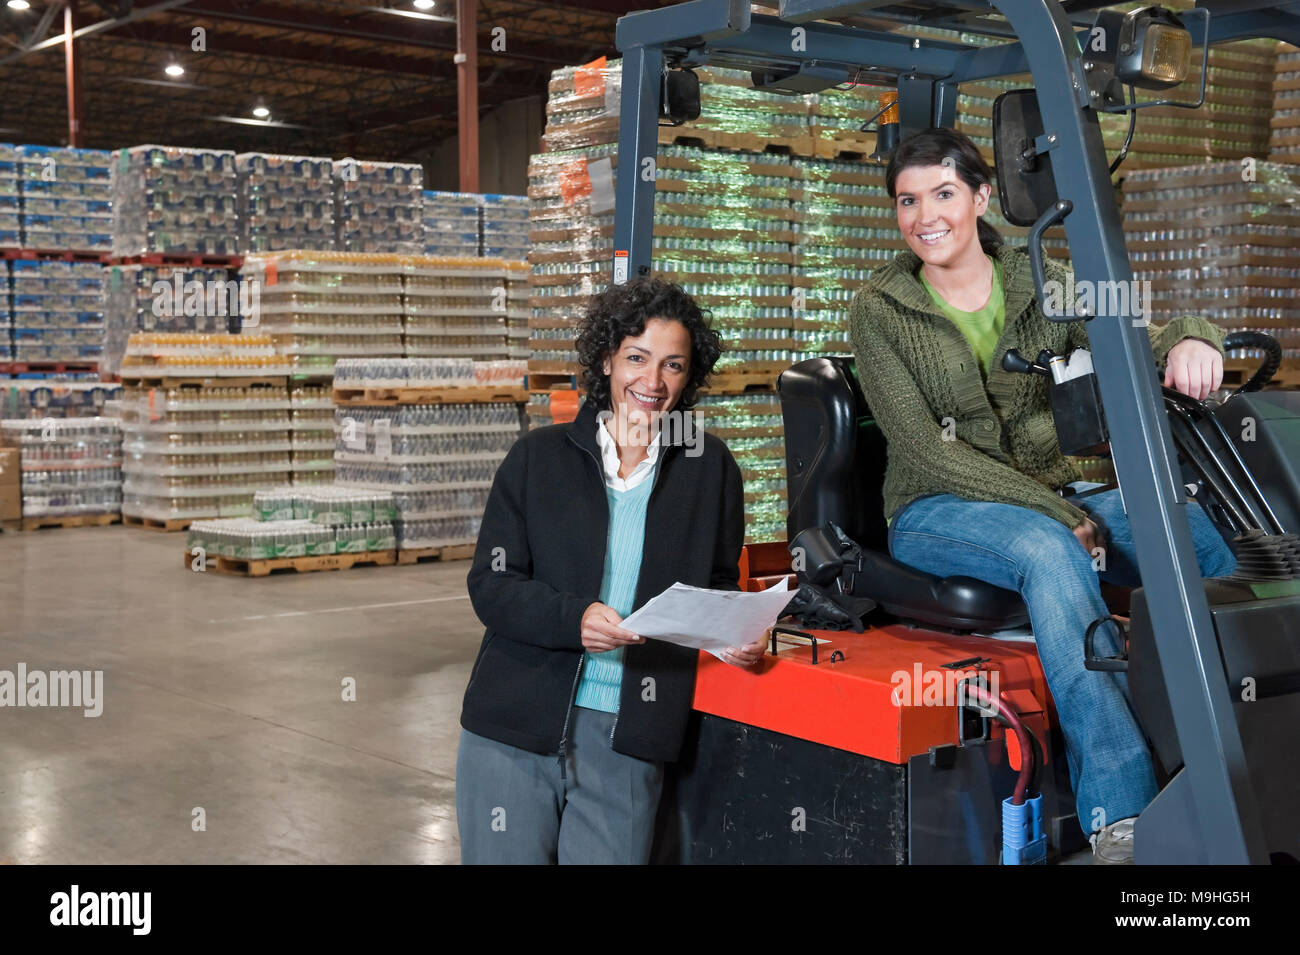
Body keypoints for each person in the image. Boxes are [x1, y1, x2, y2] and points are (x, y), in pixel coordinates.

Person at [848, 127, 1237, 865]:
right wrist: (1064, 513)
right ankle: (1120, 815)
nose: (924, 215)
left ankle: (1237, 755)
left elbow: (1135, 330)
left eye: (943, 193)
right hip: (937, 508)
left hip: (1056, 497)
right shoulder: (881, 310)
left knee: (1188, 528)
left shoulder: (1043, 281)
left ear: (982, 197)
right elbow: (932, 450)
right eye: (907, 200)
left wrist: (1193, 338)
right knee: (1050, 552)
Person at [456, 277, 767, 865]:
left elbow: (718, 585)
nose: (652, 382)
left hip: (632, 734)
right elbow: (491, 586)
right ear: (606, 360)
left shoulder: (710, 469)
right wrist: (574, 619)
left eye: (673, 365)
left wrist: (732, 635)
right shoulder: (537, 460)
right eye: (637, 358)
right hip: (514, 725)